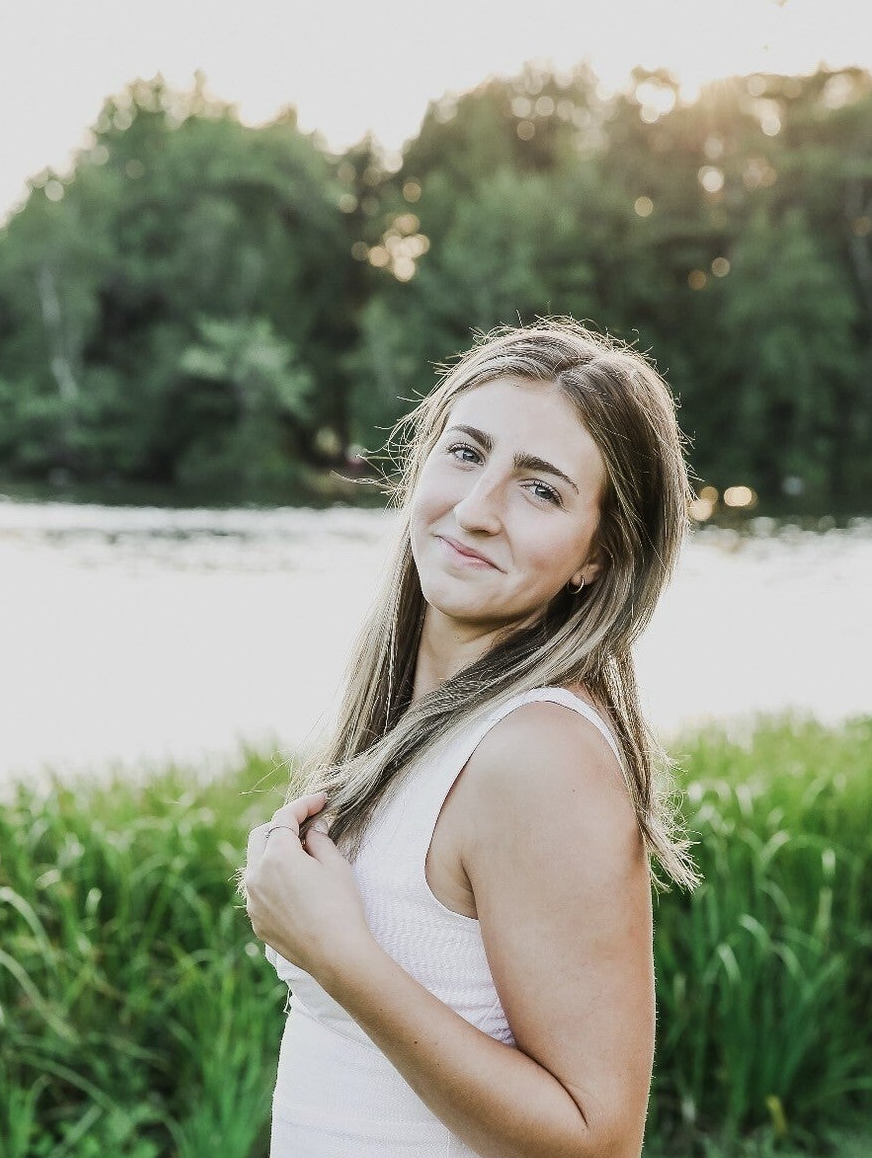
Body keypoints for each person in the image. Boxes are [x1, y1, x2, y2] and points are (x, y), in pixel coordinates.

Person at [241, 317, 700, 1158]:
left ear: (597, 556)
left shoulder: (538, 753)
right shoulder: (424, 730)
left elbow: (598, 1143)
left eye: (541, 490)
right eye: (465, 453)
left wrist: (340, 956)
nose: (477, 509)